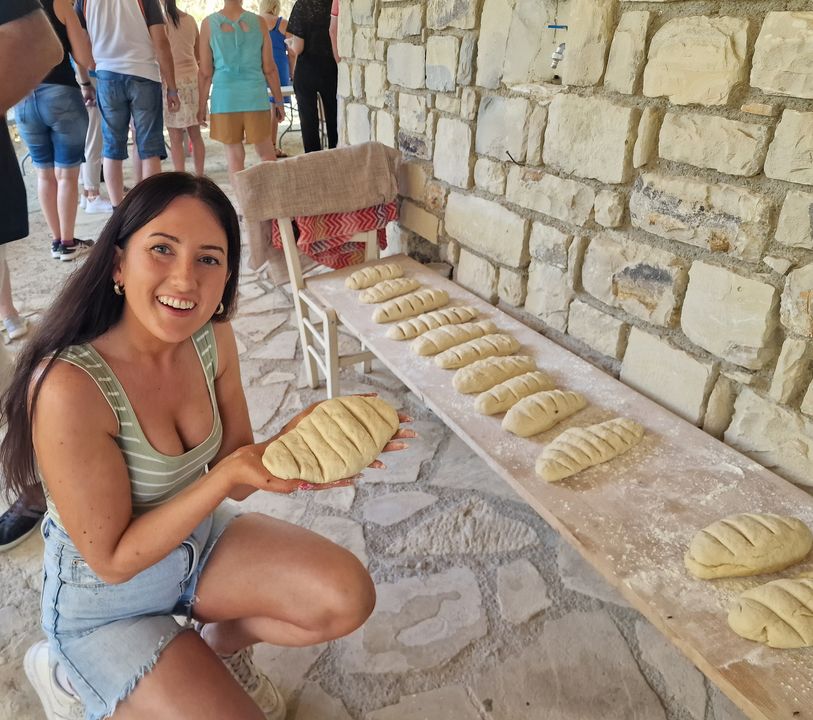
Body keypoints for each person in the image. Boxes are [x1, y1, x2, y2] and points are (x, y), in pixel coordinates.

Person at [1, 172, 413, 719]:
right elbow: (116, 561)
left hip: (194, 549)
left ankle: (217, 646)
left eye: (209, 259)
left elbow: (235, 468)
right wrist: (225, 478)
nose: (185, 280)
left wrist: (294, 445)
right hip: (104, 604)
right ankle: (63, 673)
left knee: (346, 596)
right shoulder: (69, 388)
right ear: (119, 264)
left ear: (227, 278)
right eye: (162, 250)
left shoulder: (211, 338)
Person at [0, 0, 63, 553]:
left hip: (57, 93)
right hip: (68, 94)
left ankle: (42, 481)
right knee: (60, 170)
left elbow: (36, 40)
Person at [75, 0, 180, 208]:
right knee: (149, 147)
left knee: (112, 146)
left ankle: (117, 209)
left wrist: (87, 76)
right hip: (144, 74)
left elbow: (78, 41)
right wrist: (172, 87)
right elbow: (161, 41)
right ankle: (149, 209)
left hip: (107, 75)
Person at [14, 0, 95, 261]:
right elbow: (84, 58)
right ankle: (69, 242)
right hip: (61, 95)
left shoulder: (12, 6)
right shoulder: (60, 3)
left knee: (44, 173)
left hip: (25, 98)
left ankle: (57, 240)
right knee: (67, 175)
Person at [199, 0, 285, 189]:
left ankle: (245, 209)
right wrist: (279, 101)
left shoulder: (208, 24)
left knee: (234, 157)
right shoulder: (260, 22)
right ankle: (273, 202)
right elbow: (269, 68)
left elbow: (205, 72)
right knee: (266, 153)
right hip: (255, 96)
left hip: (225, 100)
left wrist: (201, 105)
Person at [286, 0, 338, 153]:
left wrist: (290, 45)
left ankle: (313, 161)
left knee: (308, 121)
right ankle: (336, 157)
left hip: (307, 69)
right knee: (334, 118)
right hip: (331, 68)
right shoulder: (335, 3)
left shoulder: (302, 4)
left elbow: (299, 47)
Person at [163, 0, 205, 175]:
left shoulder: (160, 22)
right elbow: (198, 53)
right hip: (194, 81)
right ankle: (200, 176)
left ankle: (180, 177)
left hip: (172, 82)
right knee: (196, 135)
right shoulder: (190, 20)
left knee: (175, 137)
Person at [258, 0, 293, 157]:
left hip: (259, 65)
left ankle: (262, 143)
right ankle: (271, 146)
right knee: (274, 106)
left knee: (263, 105)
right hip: (279, 67)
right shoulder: (283, 23)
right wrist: (293, 72)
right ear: (275, 6)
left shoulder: (255, 22)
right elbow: (292, 51)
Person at [76, 66, 113, 215]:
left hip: (79, 79)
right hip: (88, 78)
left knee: (86, 139)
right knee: (93, 141)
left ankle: (86, 193)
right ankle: (93, 195)